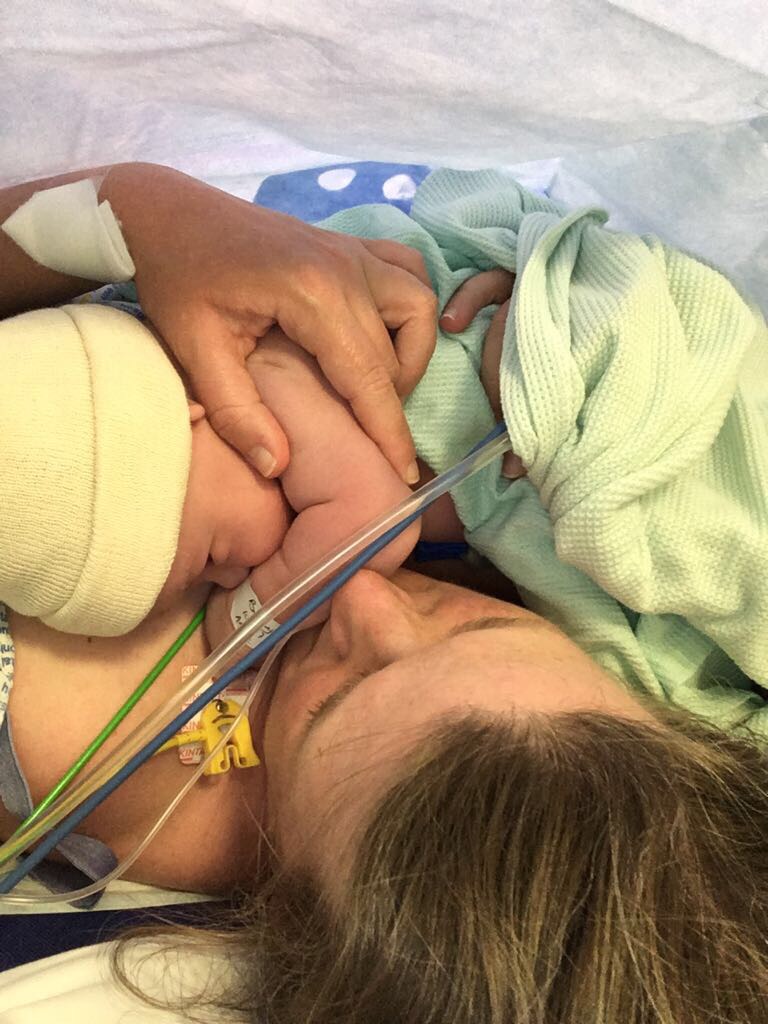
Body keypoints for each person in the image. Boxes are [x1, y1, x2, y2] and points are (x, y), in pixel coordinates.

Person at [4, 167, 768, 1022]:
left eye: (332, 699)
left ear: (285, 921)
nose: (365, 598)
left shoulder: (84, 789)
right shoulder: (537, 524)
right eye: (472, 624)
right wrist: (137, 216)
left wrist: (129, 217)